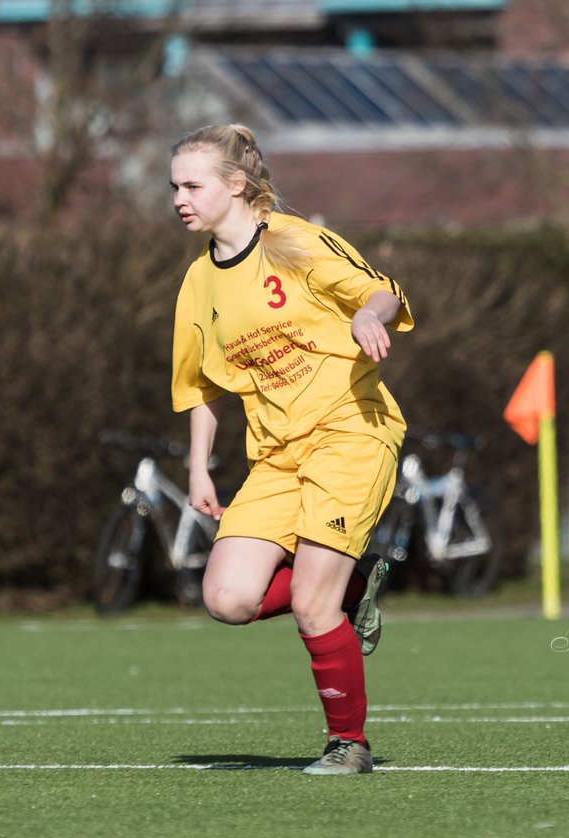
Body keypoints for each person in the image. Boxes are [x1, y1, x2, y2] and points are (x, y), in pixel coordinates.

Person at [168, 124, 412, 776]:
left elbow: (381, 287)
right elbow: (197, 387)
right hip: (275, 457)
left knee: (310, 603)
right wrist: (197, 467)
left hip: (349, 434)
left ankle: (348, 745)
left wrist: (368, 315)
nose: (179, 199)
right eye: (175, 187)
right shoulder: (198, 282)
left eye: (192, 185)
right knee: (226, 598)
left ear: (235, 184)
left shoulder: (292, 240)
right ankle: (351, 592)